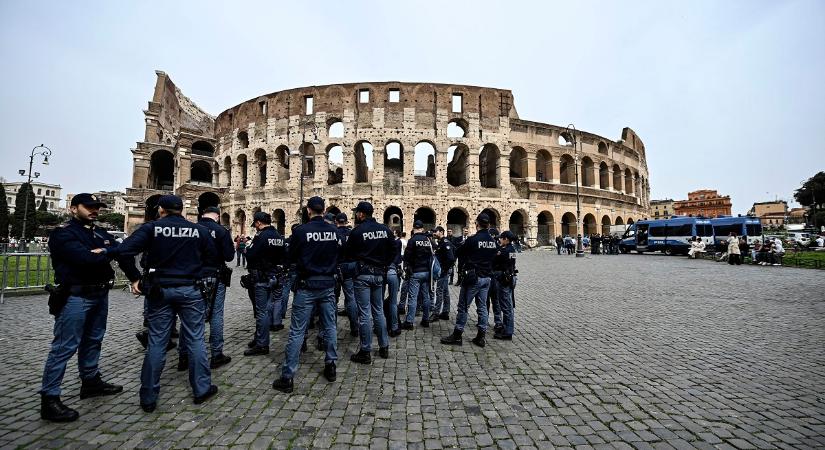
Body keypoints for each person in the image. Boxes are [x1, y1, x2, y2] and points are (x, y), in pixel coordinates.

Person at [103, 195, 218, 412]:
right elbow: (212, 258)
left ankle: (148, 396)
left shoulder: (151, 228)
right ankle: (201, 389)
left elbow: (123, 251)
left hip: (160, 289)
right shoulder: (199, 230)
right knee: (195, 339)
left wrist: (135, 277)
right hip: (189, 288)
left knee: (157, 341)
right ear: (182, 210)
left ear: (161, 209)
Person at [39, 193, 141, 422]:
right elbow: (85, 259)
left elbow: (123, 253)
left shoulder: (98, 232)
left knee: (94, 339)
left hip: (99, 293)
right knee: (65, 346)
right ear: (74, 208)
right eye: (89, 207)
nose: (94, 210)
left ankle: (91, 381)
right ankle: (50, 398)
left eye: (97, 207)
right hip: (75, 295)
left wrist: (135, 277)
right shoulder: (62, 233)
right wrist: (108, 251)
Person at [272, 197, 340, 393]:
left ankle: (287, 377)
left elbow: (290, 258)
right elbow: (340, 256)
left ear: (308, 210)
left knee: (297, 331)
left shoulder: (300, 231)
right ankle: (331, 366)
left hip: (306, 285)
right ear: (324, 209)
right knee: (330, 326)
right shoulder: (334, 232)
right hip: (327, 284)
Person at [177, 206, 234, 370]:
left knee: (189, 316)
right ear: (216, 216)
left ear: (202, 215)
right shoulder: (221, 231)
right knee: (216, 314)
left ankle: (184, 356)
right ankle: (216, 354)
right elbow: (230, 256)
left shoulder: (191, 229)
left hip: (193, 275)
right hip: (215, 275)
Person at [343, 201, 395, 363]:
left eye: (356, 213)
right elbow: (393, 251)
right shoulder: (385, 230)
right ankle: (384, 346)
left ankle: (365, 351)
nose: (355, 215)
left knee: (364, 313)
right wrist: (384, 264)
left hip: (363, 275)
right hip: (379, 274)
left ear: (361, 214)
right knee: (378, 311)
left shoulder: (357, 231)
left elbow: (348, 254)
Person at [441, 213, 498, 348]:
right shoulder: (493, 242)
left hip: (473, 277)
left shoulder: (473, 239)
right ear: (489, 225)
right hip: (487, 278)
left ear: (476, 224)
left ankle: (457, 334)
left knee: (463, 306)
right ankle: (481, 336)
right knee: (482, 307)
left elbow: (459, 253)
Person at [243, 212, 286, 356]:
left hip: (262, 278)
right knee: (269, 307)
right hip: (276, 276)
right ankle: (259, 337)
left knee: (262, 312)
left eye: (255, 224)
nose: (255, 227)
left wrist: (247, 248)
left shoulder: (261, 236)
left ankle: (262, 344)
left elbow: (250, 254)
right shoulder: (279, 236)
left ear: (259, 223)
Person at [401, 220, 434, 329]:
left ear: (414, 228)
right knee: (426, 297)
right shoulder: (427, 240)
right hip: (426, 272)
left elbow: (407, 257)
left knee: (413, 297)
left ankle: (409, 322)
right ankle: (426, 319)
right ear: (422, 228)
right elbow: (431, 254)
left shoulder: (412, 240)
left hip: (416, 272)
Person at [334, 213, 358, 335]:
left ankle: (331, 328)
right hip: (350, 267)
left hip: (337, 268)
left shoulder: (333, 233)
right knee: (351, 297)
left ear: (336, 221)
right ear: (347, 221)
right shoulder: (352, 233)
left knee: (333, 298)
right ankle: (354, 327)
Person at [492, 230, 517, 340]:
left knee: (506, 306)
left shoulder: (504, 251)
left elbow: (494, 261)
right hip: (510, 277)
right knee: (508, 305)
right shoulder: (512, 249)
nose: (499, 240)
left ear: (506, 239)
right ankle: (506, 328)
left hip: (504, 279)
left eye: (501, 238)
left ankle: (508, 331)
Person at [431, 226, 455, 322]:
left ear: (441, 232)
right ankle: (445, 312)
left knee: (439, 291)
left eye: (435, 232)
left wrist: (444, 269)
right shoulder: (441, 242)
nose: (434, 233)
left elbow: (451, 258)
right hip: (443, 270)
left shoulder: (445, 243)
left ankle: (436, 313)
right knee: (445, 292)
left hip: (443, 271)